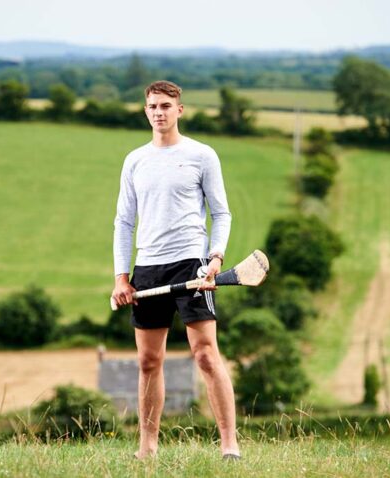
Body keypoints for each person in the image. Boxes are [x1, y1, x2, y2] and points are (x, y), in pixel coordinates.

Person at [112, 80, 240, 460]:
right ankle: (147, 448)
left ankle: (229, 444)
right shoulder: (135, 160)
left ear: (179, 110)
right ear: (145, 110)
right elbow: (123, 222)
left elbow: (222, 213)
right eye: (152, 106)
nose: (159, 112)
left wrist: (215, 258)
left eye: (166, 105)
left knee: (205, 354)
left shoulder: (202, 155)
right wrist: (122, 276)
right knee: (148, 361)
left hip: (192, 265)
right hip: (148, 268)